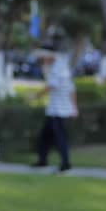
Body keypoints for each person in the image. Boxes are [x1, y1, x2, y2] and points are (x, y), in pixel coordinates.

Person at [30, 38, 78, 172]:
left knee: (59, 138)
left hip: (60, 111)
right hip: (54, 109)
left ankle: (65, 163)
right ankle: (42, 160)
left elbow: (51, 86)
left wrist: (35, 96)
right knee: (45, 136)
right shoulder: (57, 66)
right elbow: (71, 89)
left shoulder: (58, 67)